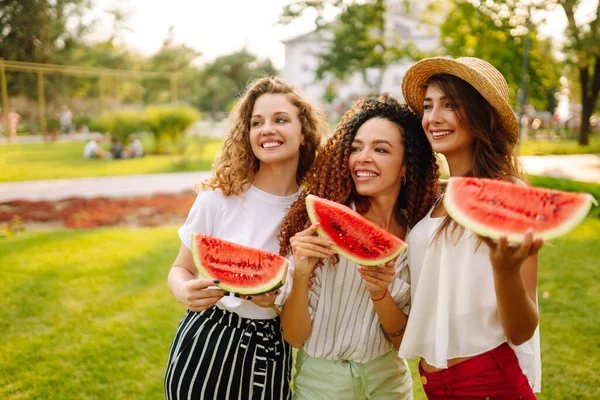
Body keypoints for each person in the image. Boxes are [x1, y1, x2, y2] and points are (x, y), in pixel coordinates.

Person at [163, 77, 327, 400]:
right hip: (209, 337)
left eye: (280, 119)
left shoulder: (314, 212)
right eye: (256, 122)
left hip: (271, 346)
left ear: (304, 131)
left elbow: (303, 313)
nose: (266, 129)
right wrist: (184, 290)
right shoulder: (218, 198)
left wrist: (278, 302)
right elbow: (179, 269)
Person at [277, 94, 440, 399]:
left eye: (380, 149)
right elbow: (295, 336)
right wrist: (300, 274)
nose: (362, 157)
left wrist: (381, 295)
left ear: (406, 166)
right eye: (356, 148)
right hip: (321, 386)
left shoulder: (417, 236)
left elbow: (404, 343)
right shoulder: (322, 228)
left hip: (389, 385)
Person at [398, 57, 543, 399]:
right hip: (434, 384)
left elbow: (522, 330)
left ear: (480, 117)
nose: (433, 117)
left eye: (450, 105)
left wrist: (505, 272)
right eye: (429, 105)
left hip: (489, 381)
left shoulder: (508, 195)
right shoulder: (436, 197)